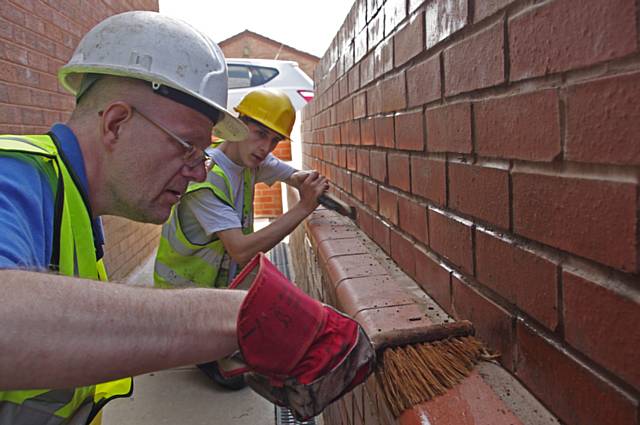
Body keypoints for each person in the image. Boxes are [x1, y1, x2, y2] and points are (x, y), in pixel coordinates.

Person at [0, 11, 374, 425]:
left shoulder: (70, 198)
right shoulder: (10, 175)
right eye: (188, 147)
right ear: (117, 123)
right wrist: (241, 317)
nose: (200, 170)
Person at [153, 88, 329, 389]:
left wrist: (312, 182)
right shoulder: (206, 177)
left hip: (216, 288)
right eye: (259, 133)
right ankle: (198, 348)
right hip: (182, 297)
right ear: (237, 125)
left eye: (274, 140)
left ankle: (217, 338)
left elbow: (294, 176)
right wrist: (303, 208)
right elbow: (241, 251)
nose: (265, 147)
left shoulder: (251, 161)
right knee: (236, 381)